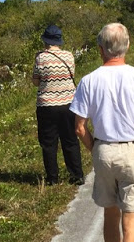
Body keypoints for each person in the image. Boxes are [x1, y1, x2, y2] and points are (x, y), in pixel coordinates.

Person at [70, 23, 134, 242]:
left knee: (110, 212)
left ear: (100, 49)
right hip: (133, 151)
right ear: (127, 45)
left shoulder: (88, 81)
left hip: (103, 150)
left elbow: (79, 127)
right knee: (132, 217)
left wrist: (95, 148)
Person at [32, 25, 84, 186]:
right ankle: (77, 175)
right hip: (68, 103)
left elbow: (36, 81)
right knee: (70, 140)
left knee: (48, 143)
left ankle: (52, 178)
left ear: (45, 40)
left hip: (47, 105)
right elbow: (72, 75)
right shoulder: (69, 56)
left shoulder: (40, 58)